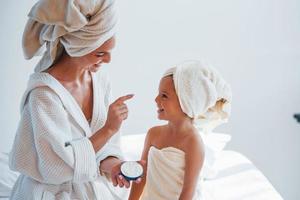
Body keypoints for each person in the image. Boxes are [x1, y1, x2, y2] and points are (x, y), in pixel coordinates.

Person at [8, 0, 141, 199]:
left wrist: (114, 165)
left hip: (91, 189)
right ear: (76, 46)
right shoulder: (43, 95)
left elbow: (104, 148)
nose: (108, 60)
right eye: (100, 53)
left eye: (110, 52)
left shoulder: (100, 82)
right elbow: (56, 167)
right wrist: (109, 129)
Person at [128, 60, 232, 200]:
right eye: (158, 94)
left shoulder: (193, 142)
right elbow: (141, 175)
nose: (156, 99)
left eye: (164, 95)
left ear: (186, 102)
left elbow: (188, 191)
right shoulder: (153, 133)